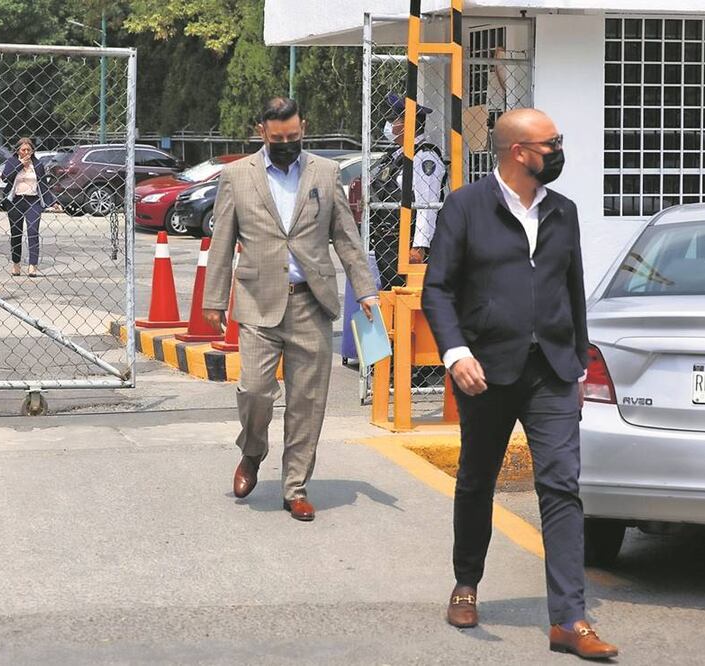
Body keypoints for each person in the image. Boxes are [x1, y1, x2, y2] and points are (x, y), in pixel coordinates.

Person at [421, 108, 618, 659]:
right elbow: (437, 289)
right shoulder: (465, 207)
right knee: (476, 478)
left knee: (561, 486)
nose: (558, 150)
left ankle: (569, 620)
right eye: (550, 143)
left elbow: (572, 289)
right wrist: (455, 352)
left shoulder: (564, 211)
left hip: (552, 370)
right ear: (518, 153)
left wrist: (578, 364)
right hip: (485, 369)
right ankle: (466, 581)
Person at [203, 97, 377, 522]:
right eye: (278, 137)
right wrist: (213, 299)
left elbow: (347, 238)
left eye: (294, 137)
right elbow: (223, 239)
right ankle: (253, 450)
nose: (286, 143)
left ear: (304, 129)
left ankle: (295, 487)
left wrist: (366, 291)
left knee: (307, 401)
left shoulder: (325, 172)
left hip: (310, 303)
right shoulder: (236, 176)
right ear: (261, 130)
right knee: (255, 390)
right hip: (258, 302)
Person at [370, 94, 446, 287]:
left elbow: (427, 204)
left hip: (407, 243)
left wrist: (419, 247)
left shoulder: (424, 157)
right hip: (387, 244)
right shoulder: (395, 156)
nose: (388, 125)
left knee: (406, 296)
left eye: (393, 120)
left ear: (407, 124)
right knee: (389, 296)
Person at [0, 137, 56, 277]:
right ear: (18, 151)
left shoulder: (37, 165)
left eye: (29, 150)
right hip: (16, 201)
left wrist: (52, 201)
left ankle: (32, 265)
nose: (26, 152)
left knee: (33, 231)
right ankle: (16, 264)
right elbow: (5, 177)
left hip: (33, 201)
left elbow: (43, 185)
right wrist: (20, 165)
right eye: (23, 150)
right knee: (16, 233)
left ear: (32, 151)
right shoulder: (12, 162)